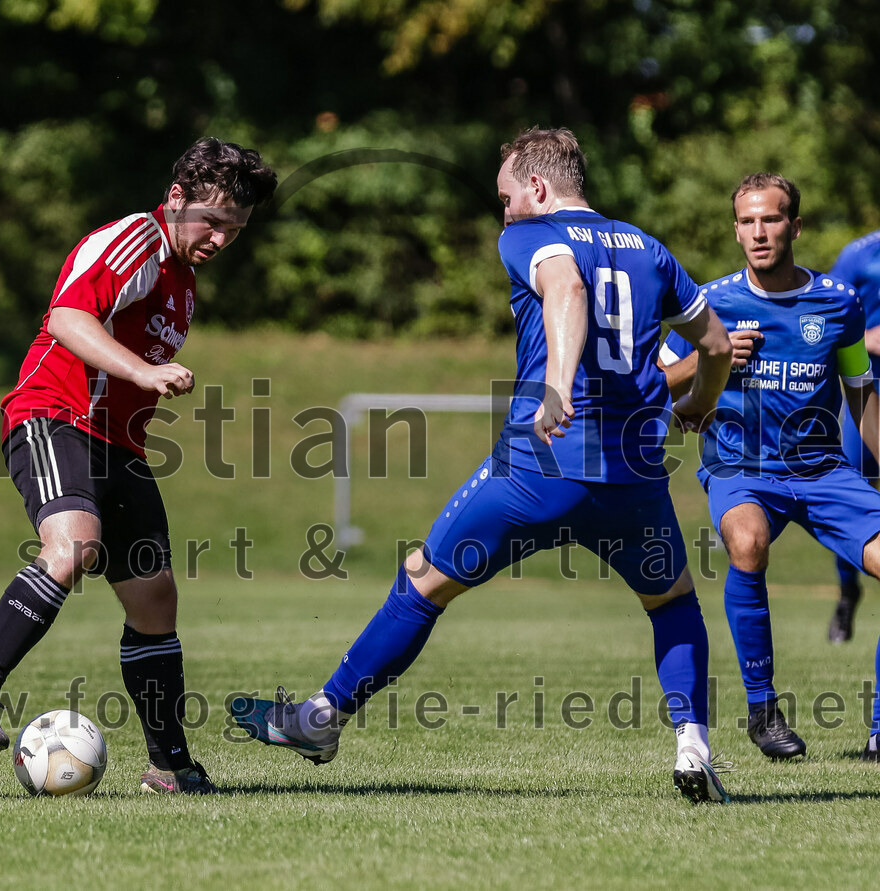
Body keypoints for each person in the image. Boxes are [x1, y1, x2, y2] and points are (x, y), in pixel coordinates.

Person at [231, 127, 736, 804]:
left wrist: (557, 383)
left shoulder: (531, 234)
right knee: (671, 601)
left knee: (423, 581)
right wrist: (699, 405)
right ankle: (693, 745)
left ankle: (320, 721)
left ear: (535, 186)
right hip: (634, 477)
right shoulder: (648, 248)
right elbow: (718, 343)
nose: (502, 212)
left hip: (538, 470)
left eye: (504, 196)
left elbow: (567, 290)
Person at [0, 138, 277, 794]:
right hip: (51, 414)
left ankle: (170, 767)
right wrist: (144, 370)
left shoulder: (183, 282)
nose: (219, 238)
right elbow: (67, 315)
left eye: (234, 229)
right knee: (72, 547)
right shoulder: (136, 240)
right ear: (175, 197)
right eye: (210, 221)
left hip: (116, 445)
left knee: (154, 599)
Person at [658, 173, 880, 762]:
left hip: (823, 471)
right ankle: (762, 711)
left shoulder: (839, 303)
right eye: (747, 221)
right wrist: (716, 350)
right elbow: (656, 383)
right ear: (735, 229)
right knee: (748, 542)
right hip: (741, 467)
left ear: (795, 226)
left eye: (772, 219)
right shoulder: (711, 305)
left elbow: (860, 392)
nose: (759, 232)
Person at [828, 231, 880, 643]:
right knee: (851, 499)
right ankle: (848, 592)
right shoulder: (858, 255)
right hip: (867, 402)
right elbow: (819, 325)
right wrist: (868, 338)